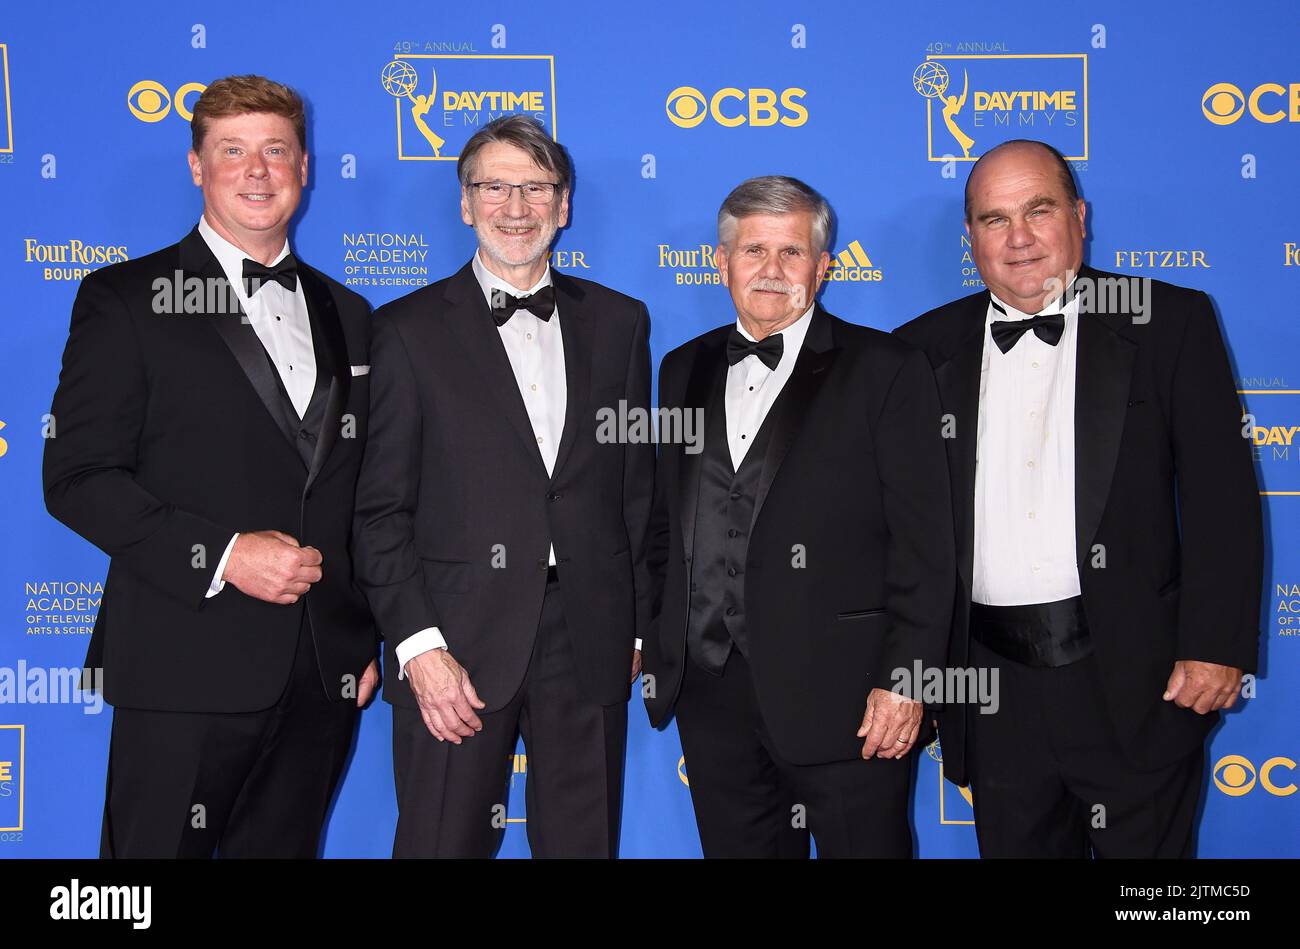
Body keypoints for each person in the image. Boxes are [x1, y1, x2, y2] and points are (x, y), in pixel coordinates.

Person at [895, 139, 1263, 858]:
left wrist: (1215, 644)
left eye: (1039, 210)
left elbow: (1223, 501)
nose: (1020, 237)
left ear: (1080, 216)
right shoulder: (918, 351)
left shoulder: (1167, 322)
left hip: (1138, 676)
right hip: (989, 688)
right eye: (994, 219)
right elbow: (901, 530)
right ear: (969, 238)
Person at [43, 75, 379, 858]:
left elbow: (365, 492)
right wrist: (224, 554)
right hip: (180, 664)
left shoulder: (351, 313)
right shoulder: (124, 298)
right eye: (233, 151)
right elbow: (77, 478)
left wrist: (369, 635)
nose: (257, 171)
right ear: (197, 166)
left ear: (306, 167)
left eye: (276, 151)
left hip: (320, 675)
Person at [353, 114, 654, 858]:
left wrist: (638, 623)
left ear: (564, 204)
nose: (514, 207)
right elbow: (380, 508)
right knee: (439, 843)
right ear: (464, 203)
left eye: (535, 188)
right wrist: (418, 646)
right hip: (455, 638)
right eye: (493, 186)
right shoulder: (404, 329)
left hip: (589, 634)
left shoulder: (621, 322)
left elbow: (637, 491)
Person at [641, 176, 955, 858]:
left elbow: (927, 545)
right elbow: (666, 524)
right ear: (721, 262)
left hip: (848, 696)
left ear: (824, 266)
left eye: (792, 252)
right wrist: (654, 637)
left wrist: (907, 680)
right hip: (709, 689)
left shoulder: (887, 368)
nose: (772, 270)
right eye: (753, 250)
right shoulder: (680, 368)